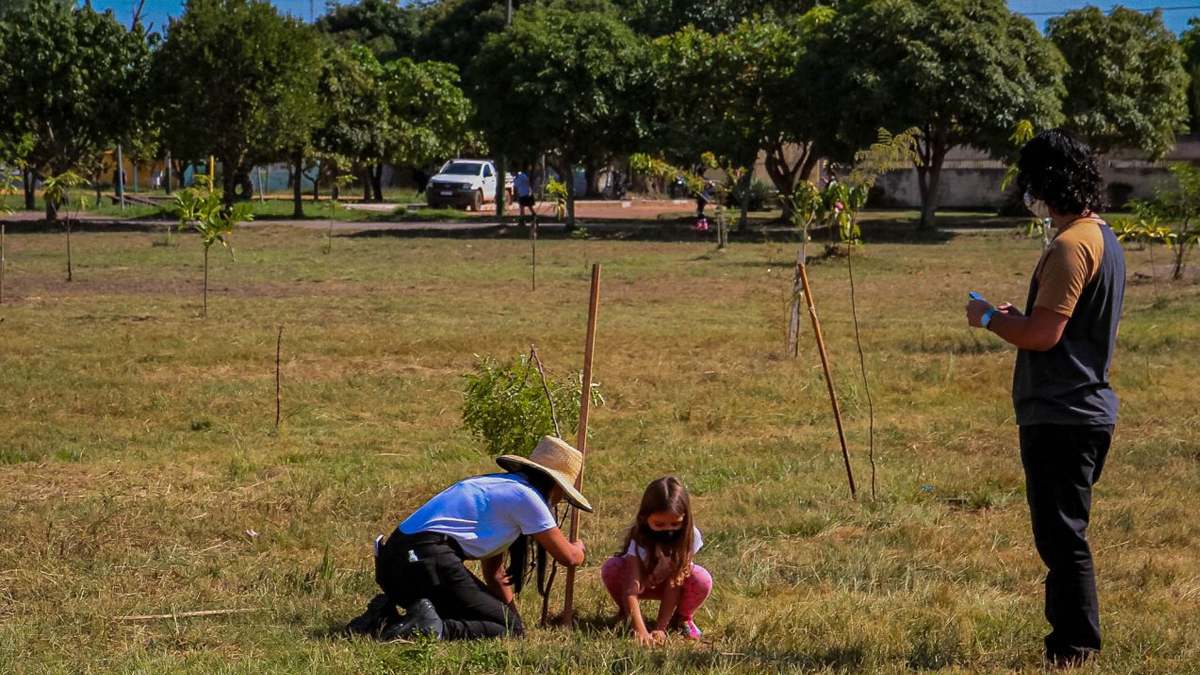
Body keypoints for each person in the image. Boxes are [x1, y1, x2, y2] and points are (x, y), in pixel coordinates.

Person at [966, 129, 1125, 669]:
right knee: (1064, 535)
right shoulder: (1102, 237)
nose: (1026, 191)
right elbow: (1057, 324)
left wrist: (988, 318)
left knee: (1062, 541)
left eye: (1029, 180)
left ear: (1047, 182)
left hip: (1063, 413)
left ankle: (1074, 649)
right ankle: (1072, 644)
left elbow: (1044, 336)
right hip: (1083, 409)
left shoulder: (1068, 245)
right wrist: (1020, 318)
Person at [347, 436, 590, 642]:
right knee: (510, 631)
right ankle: (434, 629)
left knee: (509, 624)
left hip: (396, 568)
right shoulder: (527, 497)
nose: (560, 500)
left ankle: (383, 617)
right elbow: (568, 557)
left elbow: (495, 576)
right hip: (426, 562)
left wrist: (509, 614)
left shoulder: (500, 488)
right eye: (564, 494)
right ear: (555, 486)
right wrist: (579, 549)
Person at [600, 476, 711, 644]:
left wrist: (661, 627)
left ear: (685, 518)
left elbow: (675, 583)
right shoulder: (640, 539)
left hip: (673, 588)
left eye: (675, 524)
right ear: (645, 518)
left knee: (702, 579)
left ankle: (682, 618)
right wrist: (640, 629)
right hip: (644, 583)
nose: (668, 530)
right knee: (612, 567)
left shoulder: (690, 536)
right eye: (659, 525)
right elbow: (631, 589)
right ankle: (627, 614)